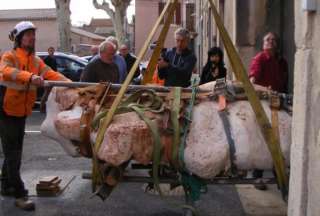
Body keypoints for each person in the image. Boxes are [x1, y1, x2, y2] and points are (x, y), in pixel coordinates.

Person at [0, 21, 70, 211]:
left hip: (22, 112)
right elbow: (5, 71)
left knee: (13, 152)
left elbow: (52, 74)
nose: (32, 37)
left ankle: (6, 185)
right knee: (13, 154)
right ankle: (20, 194)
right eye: (27, 34)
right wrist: (29, 77)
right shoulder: (10, 56)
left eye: (33, 34)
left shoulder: (36, 61)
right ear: (19, 38)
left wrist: (72, 84)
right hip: (6, 111)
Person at [249, 32, 289, 191]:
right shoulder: (259, 58)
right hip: (264, 103)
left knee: (279, 138)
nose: (271, 42)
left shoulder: (282, 61)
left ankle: (277, 171)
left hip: (279, 103)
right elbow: (252, 79)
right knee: (262, 138)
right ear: (263, 44)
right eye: (268, 40)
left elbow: (284, 82)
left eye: (273, 40)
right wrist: (262, 89)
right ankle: (256, 175)